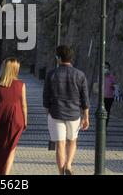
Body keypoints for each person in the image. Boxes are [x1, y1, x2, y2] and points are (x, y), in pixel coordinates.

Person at [43, 45, 90, 175]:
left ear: (58, 58)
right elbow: (85, 98)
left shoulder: (51, 74)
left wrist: (47, 110)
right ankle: (69, 164)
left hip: (56, 113)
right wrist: (86, 116)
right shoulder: (80, 75)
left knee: (60, 144)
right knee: (72, 140)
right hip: (74, 114)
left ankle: (60, 172)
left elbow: (46, 96)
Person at [104, 62, 117, 128]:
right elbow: (97, 86)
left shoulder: (111, 77)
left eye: (107, 68)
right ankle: (101, 126)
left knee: (107, 112)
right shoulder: (100, 77)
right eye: (104, 68)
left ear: (109, 69)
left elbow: (115, 86)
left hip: (109, 97)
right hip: (102, 98)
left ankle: (105, 126)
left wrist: (113, 86)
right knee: (101, 113)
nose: (105, 69)